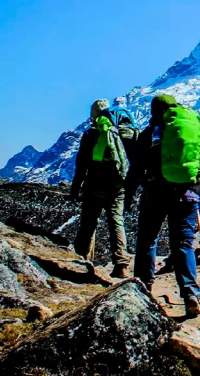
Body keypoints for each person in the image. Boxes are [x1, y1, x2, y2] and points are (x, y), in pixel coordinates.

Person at [128, 94, 200, 317]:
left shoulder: (149, 135)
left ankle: (143, 289)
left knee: (147, 240)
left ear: (154, 111)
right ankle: (191, 293)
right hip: (188, 195)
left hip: (156, 194)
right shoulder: (191, 131)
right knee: (183, 244)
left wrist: (128, 195)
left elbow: (135, 169)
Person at [71, 99, 133, 278]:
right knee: (116, 221)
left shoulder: (91, 134)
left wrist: (76, 187)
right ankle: (121, 264)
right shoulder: (123, 132)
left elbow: (81, 165)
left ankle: (82, 260)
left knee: (89, 222)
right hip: (118, 185)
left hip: (95, 184)